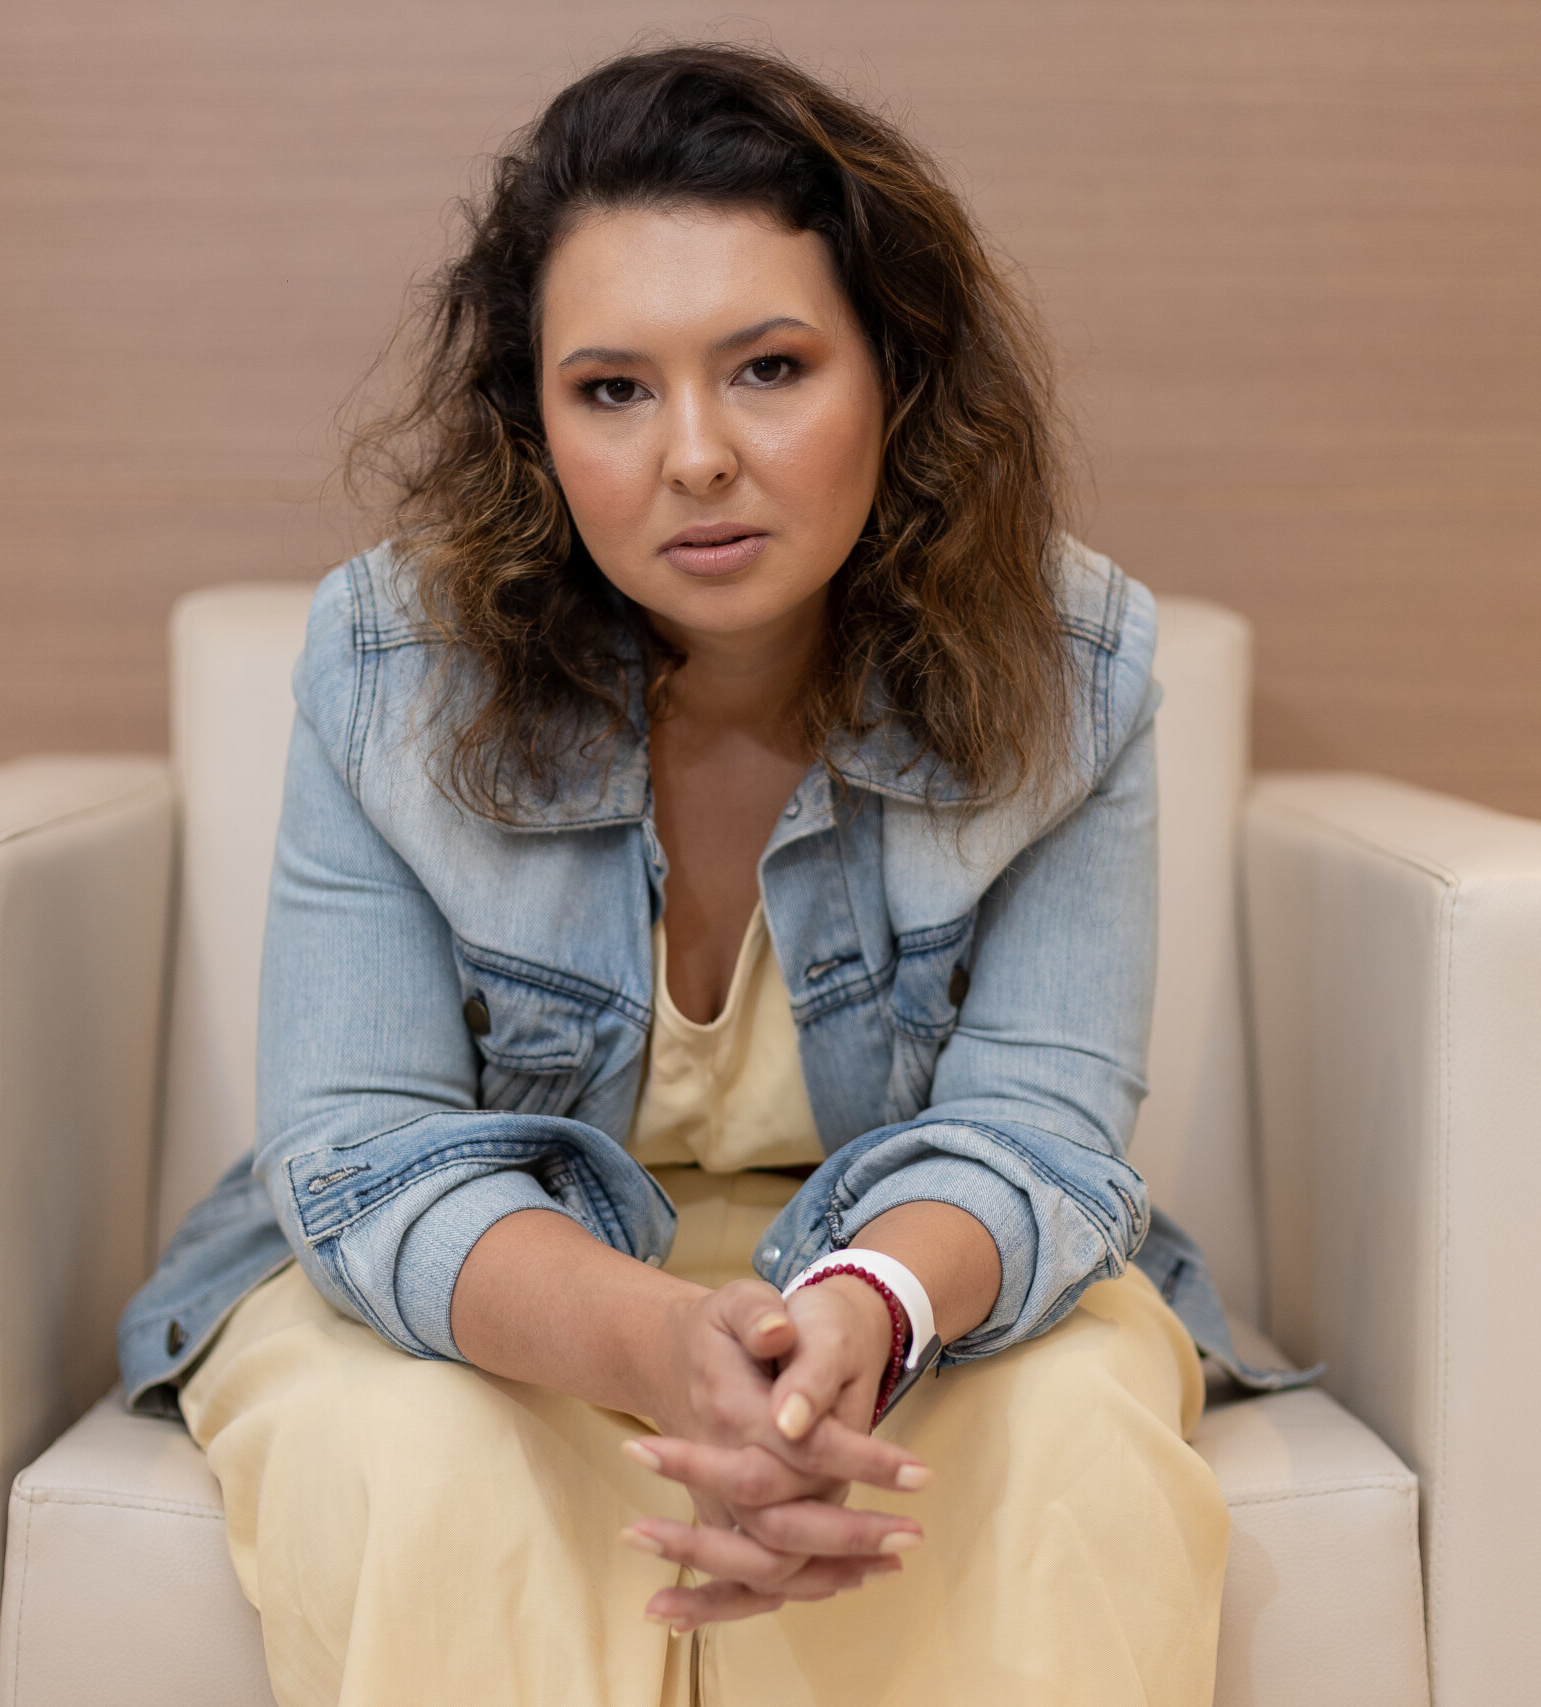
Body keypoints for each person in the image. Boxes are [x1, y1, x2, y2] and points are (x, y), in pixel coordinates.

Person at [117, 41, 1286, 1707]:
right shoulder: (391, 667)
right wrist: (660, 1340)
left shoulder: (1070, 668)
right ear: (533, 425)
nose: (696, 456)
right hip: (500, 1277)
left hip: (917, 1274)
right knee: (423, 1463)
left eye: (770, 369)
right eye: (612, 390)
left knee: (1073, 1435)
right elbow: (363, 1153)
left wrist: (860, 1320)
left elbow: (1041, 1132)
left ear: (897, 371)